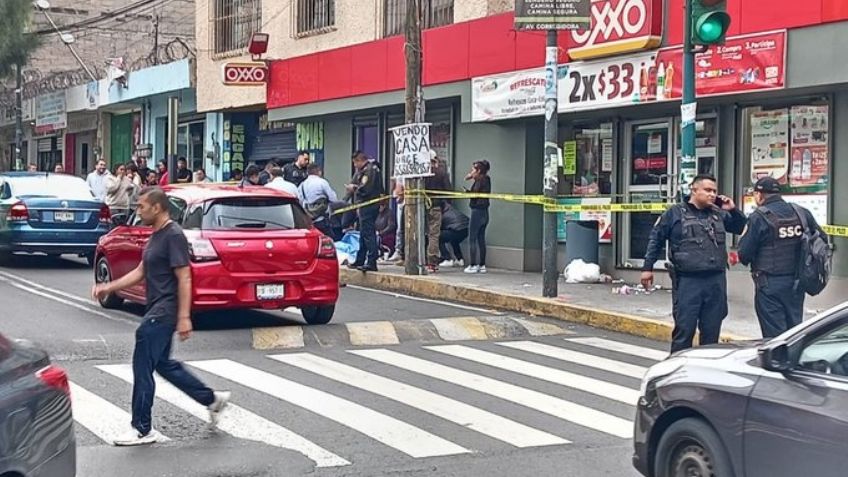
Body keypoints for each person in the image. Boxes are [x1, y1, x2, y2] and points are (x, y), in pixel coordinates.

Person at [92, 187, 230, 446]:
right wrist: (108, 287)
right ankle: (212, 399)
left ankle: (142, 428)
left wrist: (184, 316)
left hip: (163, 311)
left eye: (142, 206)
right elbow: (141, 271)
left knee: (142, 366)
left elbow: (184, 276)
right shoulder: (155, 234)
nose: (138, 211)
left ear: (157, 207)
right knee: (164, 364)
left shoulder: (174, 235)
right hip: (155, 307)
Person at [641, 174, 747, 353]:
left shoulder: (718, 214)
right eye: (707, 190)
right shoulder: (674, 213)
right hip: (688, 281)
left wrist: (733, 210)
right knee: (685, 329)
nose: (712, 194)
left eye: (714, 191)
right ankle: (678, 369)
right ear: (694, 189)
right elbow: (656, 239)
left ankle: (705, 372)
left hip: (715, 280)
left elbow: (740, 227)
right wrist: (647, 268)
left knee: (712, 331)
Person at [738, 177, 827, 338]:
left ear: (759, 195)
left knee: (775, 338)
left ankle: (778, 363)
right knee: (794, 334)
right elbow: (822, 239)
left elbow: (744, 255)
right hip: (797, 282)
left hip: (769, 285)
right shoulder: (801, 212)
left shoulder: (758, 217)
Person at [346, 151, 384, 272]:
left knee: (368, 233)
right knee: (363, 233)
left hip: (369, 205)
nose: (355, 166)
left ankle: (372, 261)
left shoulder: (369, 170)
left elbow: (366, 189)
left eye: (355, 163)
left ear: (359, 160)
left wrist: (354, 188)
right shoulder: (364, 170)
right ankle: (360, 259)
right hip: (365, 205)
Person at [424, 152, 452, 272]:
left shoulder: (421, 174)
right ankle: (432, 262)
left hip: (421, 207)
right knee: (434, 235)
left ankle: (421, 259)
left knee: (423, 233)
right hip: (436, 206)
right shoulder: (441, 173)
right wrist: (447, 204)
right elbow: (448, 190)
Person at [298, 163, 338, 239]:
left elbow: (300, 201)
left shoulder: (302, 185)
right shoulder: (322, 182)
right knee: (330, 240)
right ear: (319, 172)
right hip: (322, 218)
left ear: (307, 173)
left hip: (309, 220)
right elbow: (333, 199)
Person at [465, 160, 491, 274]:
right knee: (481, 238)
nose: (471, 172)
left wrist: (471, 179)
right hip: (485, 212)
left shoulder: (479, 181)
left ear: (478, 171)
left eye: (473, 170)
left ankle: (473, 264)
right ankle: (482, 264)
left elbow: (474, 194)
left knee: (472, 238)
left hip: (477, 212)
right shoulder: (487, 180)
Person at [439, 201, 469, 267]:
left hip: (456, 229)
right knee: (454, 241)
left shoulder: (443, 214)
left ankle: (447, 259)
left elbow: (440, 227)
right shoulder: (452, 210)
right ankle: (460, 259)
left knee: (437, 237)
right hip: (466, 230)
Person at [387, 180, 405, 263]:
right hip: (399, 199)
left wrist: (400, 194)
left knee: (401, 229)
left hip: (404, 200)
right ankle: (399, 251)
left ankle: (400, 252)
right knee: (400, 228)